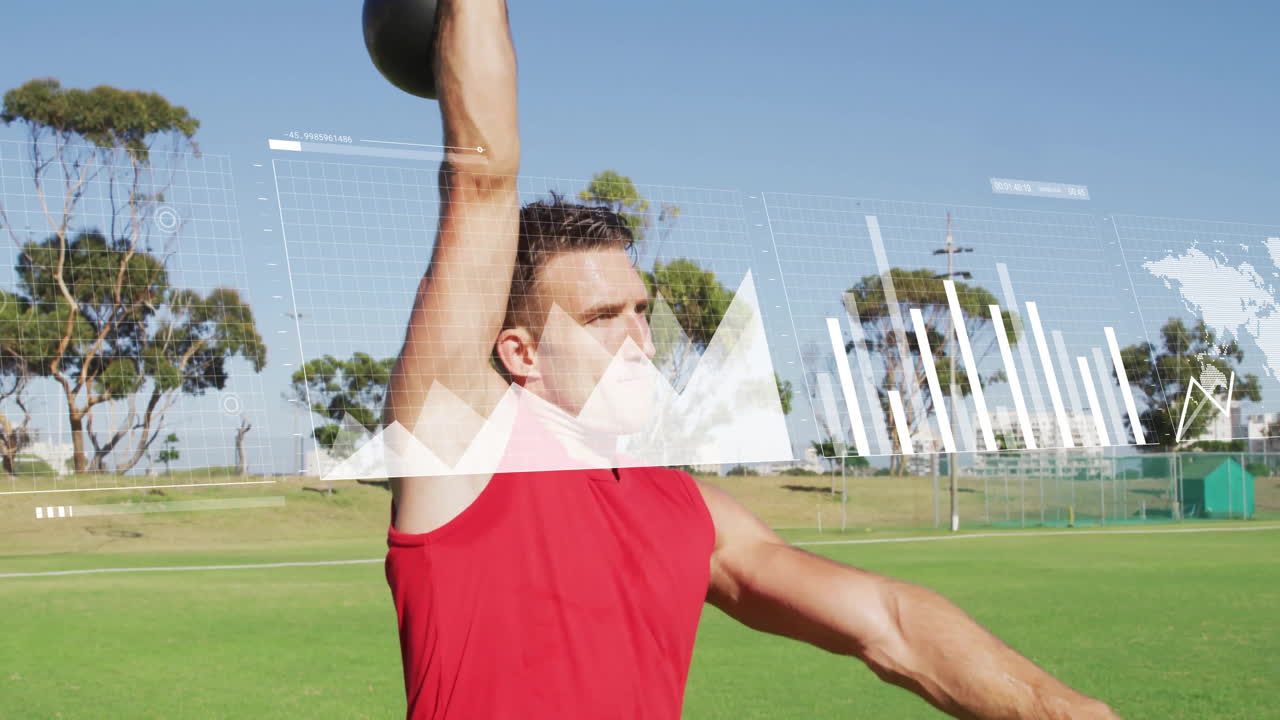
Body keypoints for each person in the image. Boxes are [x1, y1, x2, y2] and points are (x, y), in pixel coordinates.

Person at [383, 1, 1121, 718]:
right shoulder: (460, 451)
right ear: (521, 354)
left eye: (641, 310)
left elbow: (888, 623)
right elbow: (482, 184)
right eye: (602, 319)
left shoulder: (687, 512)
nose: (640, 338)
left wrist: (1062, 710)